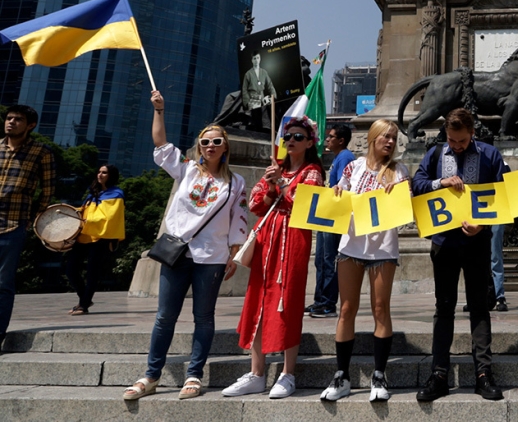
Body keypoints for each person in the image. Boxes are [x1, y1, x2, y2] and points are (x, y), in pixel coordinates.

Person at [122, 92, 248, 400]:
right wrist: (160, 111)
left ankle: (194, 375)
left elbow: (239, 219)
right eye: (205, 142)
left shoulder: (235, 183)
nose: (210, 146)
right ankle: (151, 375)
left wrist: (234, 255)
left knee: (204, 317)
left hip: (213, 257)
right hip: (177, 252)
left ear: (226, 147)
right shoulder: (187, 169)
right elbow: (161, 144)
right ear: (199, 147)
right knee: (165, 316)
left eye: (217, 142)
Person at [412, 108, 508, 402]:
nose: (456, 146)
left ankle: (483, 374)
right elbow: (416, 185)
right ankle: (439, 374)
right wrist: (440, 182)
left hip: (477, 243)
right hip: (443, 242)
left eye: (462, 141)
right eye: (452, 140)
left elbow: (505, 196)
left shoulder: (490, 155)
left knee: (479, 308)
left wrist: (483, 223)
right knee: (444, 308)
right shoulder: (436, 153)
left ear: (472, 134)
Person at [225, 117, 324, 400]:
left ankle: (287, 372)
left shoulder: (312, 171)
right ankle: (256, 373)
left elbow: (307, 202)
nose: (290, 140)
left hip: (293, 238)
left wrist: (280, 184)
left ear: (309, 142)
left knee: (287, 300)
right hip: (268, 237)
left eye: (297, 136)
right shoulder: (275, 169)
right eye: (287, 136)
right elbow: (256, 203)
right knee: (257, 298)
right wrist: (271, 186)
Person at [321, 119, 409, 403]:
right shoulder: (353, 166)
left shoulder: (399, 171)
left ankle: (380, 374)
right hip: (351, 246)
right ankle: (341, 375)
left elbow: (405, 210)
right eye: (386, 136)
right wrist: (336, 192)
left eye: (394, 138)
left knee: (380, 308)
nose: (391, 142)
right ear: (373, 138)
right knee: (346, 309)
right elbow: (339, 194)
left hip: (382, 249)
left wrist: (399, 196)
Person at [0, 105, 55, 353]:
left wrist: (35, 218)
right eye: (9, 118)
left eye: (18, 119)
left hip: (13, 224)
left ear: (30, 125)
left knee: (3, 283)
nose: (11, 122)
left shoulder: (41, 152)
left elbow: (48, 190)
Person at [307, 123, 356, 319]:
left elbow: (344, 186)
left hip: (335, 215)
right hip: (327, 214)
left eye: (331, 137)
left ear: (341, 140)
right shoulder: (338, 158)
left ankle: (328, 302)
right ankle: (319, 299)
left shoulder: (345, 157)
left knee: (328, 259)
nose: (327, 140)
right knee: (321, 259)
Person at [66, 164, 125, 316]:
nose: (100, 175)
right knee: (70, 268)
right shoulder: (92, 194)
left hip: (101, 237)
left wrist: (88, 220)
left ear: (111, 175)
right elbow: (84, 211)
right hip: (84, 235)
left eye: (104, 172)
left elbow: (111, 216)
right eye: (98, 172)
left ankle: (84, 305)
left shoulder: (116, 194)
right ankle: (84, 298)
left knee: (92, 272)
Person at [241, 52, 276, 130]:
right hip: (252, 95)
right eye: (254, 58)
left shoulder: (264, 72)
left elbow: (270, 85)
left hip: (261, 95)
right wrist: (247, 101)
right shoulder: (248, 74)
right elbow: (244, 88)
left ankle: (266, 126)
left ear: (260, 59)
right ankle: (251, 121)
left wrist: (273, 95)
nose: (256, 60)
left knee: (265, 106)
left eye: (258, 58)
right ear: (252, 60)